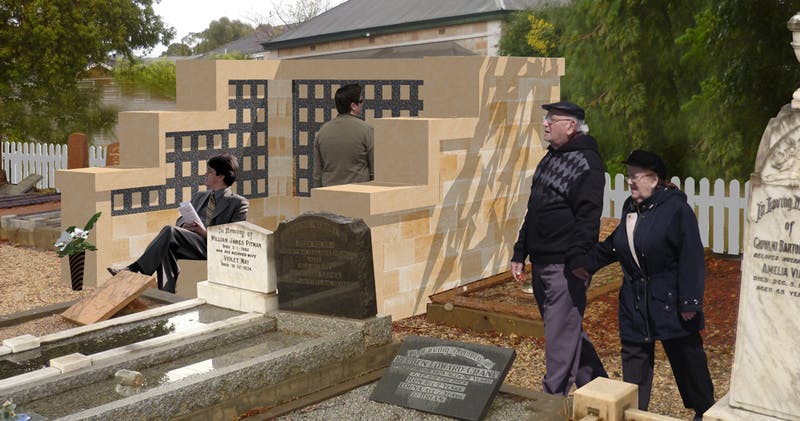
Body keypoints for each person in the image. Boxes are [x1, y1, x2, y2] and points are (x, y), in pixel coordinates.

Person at [574, 150, 715, 420]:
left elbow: (691, 256)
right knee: (634, 363)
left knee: (688, 360)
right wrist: (581, 265)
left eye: (634, 176)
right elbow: (613, 247)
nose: (629, 182)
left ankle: (705, 411)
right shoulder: (631, 207)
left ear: (654, 179)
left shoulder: (677, 210)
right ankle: (634, 414)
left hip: (671, 302)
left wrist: (690, 302)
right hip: (634, 303)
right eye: (628, 177)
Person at [510, 101, 608, 396]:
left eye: (552, 119)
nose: (546, 124)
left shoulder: (587, 163)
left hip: (565, 266)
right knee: (566, 332)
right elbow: (535, 208)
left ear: (572, 125)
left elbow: (588, 217)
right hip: (542, 262)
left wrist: (578, 261)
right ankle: (601, 390)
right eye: (546, 118)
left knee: (558, 338)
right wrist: (520, 251)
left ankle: (552, 401)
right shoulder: (551, 158)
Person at [107, 153, 249, 293]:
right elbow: (180, 220)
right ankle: (166, 293)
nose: (205, 174)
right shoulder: (200, 196)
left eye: (210, 171)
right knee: (166, 247)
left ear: (221, 176)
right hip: (190, 240)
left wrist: (204, 232)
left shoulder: (238, 203)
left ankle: (134, 269)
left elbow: (234, 237)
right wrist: (185, 225)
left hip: (212, 246)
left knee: (169, 231)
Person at [312, 83, 374, 188]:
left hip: (330, 195)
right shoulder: (366, 130)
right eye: (361, 101)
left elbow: (317, 174)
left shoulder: (322, 131)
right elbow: (374, 170)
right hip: (359, 195)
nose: (362, 104)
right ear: (353, 106)